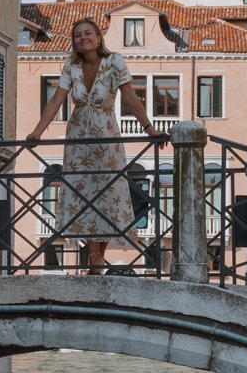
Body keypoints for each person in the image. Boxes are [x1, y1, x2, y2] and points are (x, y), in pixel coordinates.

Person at [26, 18, 167, 274]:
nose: (83, 38)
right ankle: (95, 261)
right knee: (85, 195)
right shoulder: (72, 65)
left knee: (105, 195)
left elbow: (130, 96)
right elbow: (57, 99)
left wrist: (149, 128)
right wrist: (37, 132)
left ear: (98, 37)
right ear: (75, 42)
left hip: (106, 138)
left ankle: (96, 262)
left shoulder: (115, 61)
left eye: (88, 33)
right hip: (79, 140)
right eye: (78, 35)